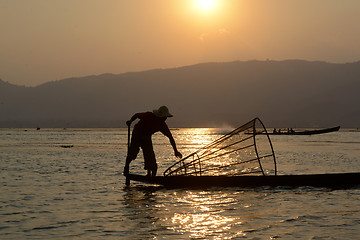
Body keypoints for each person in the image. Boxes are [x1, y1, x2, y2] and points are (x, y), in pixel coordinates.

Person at [123, 106, 182, 177]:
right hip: (137, 133)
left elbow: (170, 138)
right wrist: (130, 121)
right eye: (164, 117)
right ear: (160, 116)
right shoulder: (149, 115)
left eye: (166, 117)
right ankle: (126, 167)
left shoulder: (162, 125)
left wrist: (175, 151)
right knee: (133, 152)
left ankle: (150, 175)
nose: (165, 119)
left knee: (150, 155)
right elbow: (136, 115)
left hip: (147, 136)